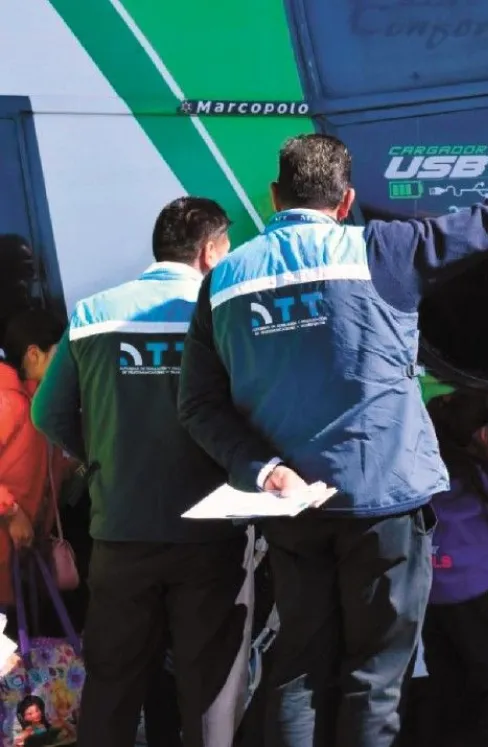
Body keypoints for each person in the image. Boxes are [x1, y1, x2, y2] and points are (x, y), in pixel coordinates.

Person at [176, 98, 488, 746]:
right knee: (375, 679)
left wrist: (266, 469)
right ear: (346, 201)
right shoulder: (387, 250)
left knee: (297, 672)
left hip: (290, 511)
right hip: (384, 506)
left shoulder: (221, 281)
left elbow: (197, 405)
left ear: (276, 196)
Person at [31, 197, 252, 747]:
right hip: (211, 531)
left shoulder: (93, 312)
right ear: (208, 251)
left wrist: (103, 456)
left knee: (112, 685)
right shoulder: (224, 309)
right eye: (227, 248)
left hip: (121, 529)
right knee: (209, 689)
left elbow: (48, 414)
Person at [420, 391, 488, 747]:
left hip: (430, 596)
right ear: (483, 433)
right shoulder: (482, 475)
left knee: (446, 681)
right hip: (471, 597)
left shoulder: (423, 471)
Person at [0, 310, 72, 622]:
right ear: (34, 354)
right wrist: (12, 512)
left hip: (19, 556)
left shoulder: (37, 402)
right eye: (61, 352)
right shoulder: (7, 400)